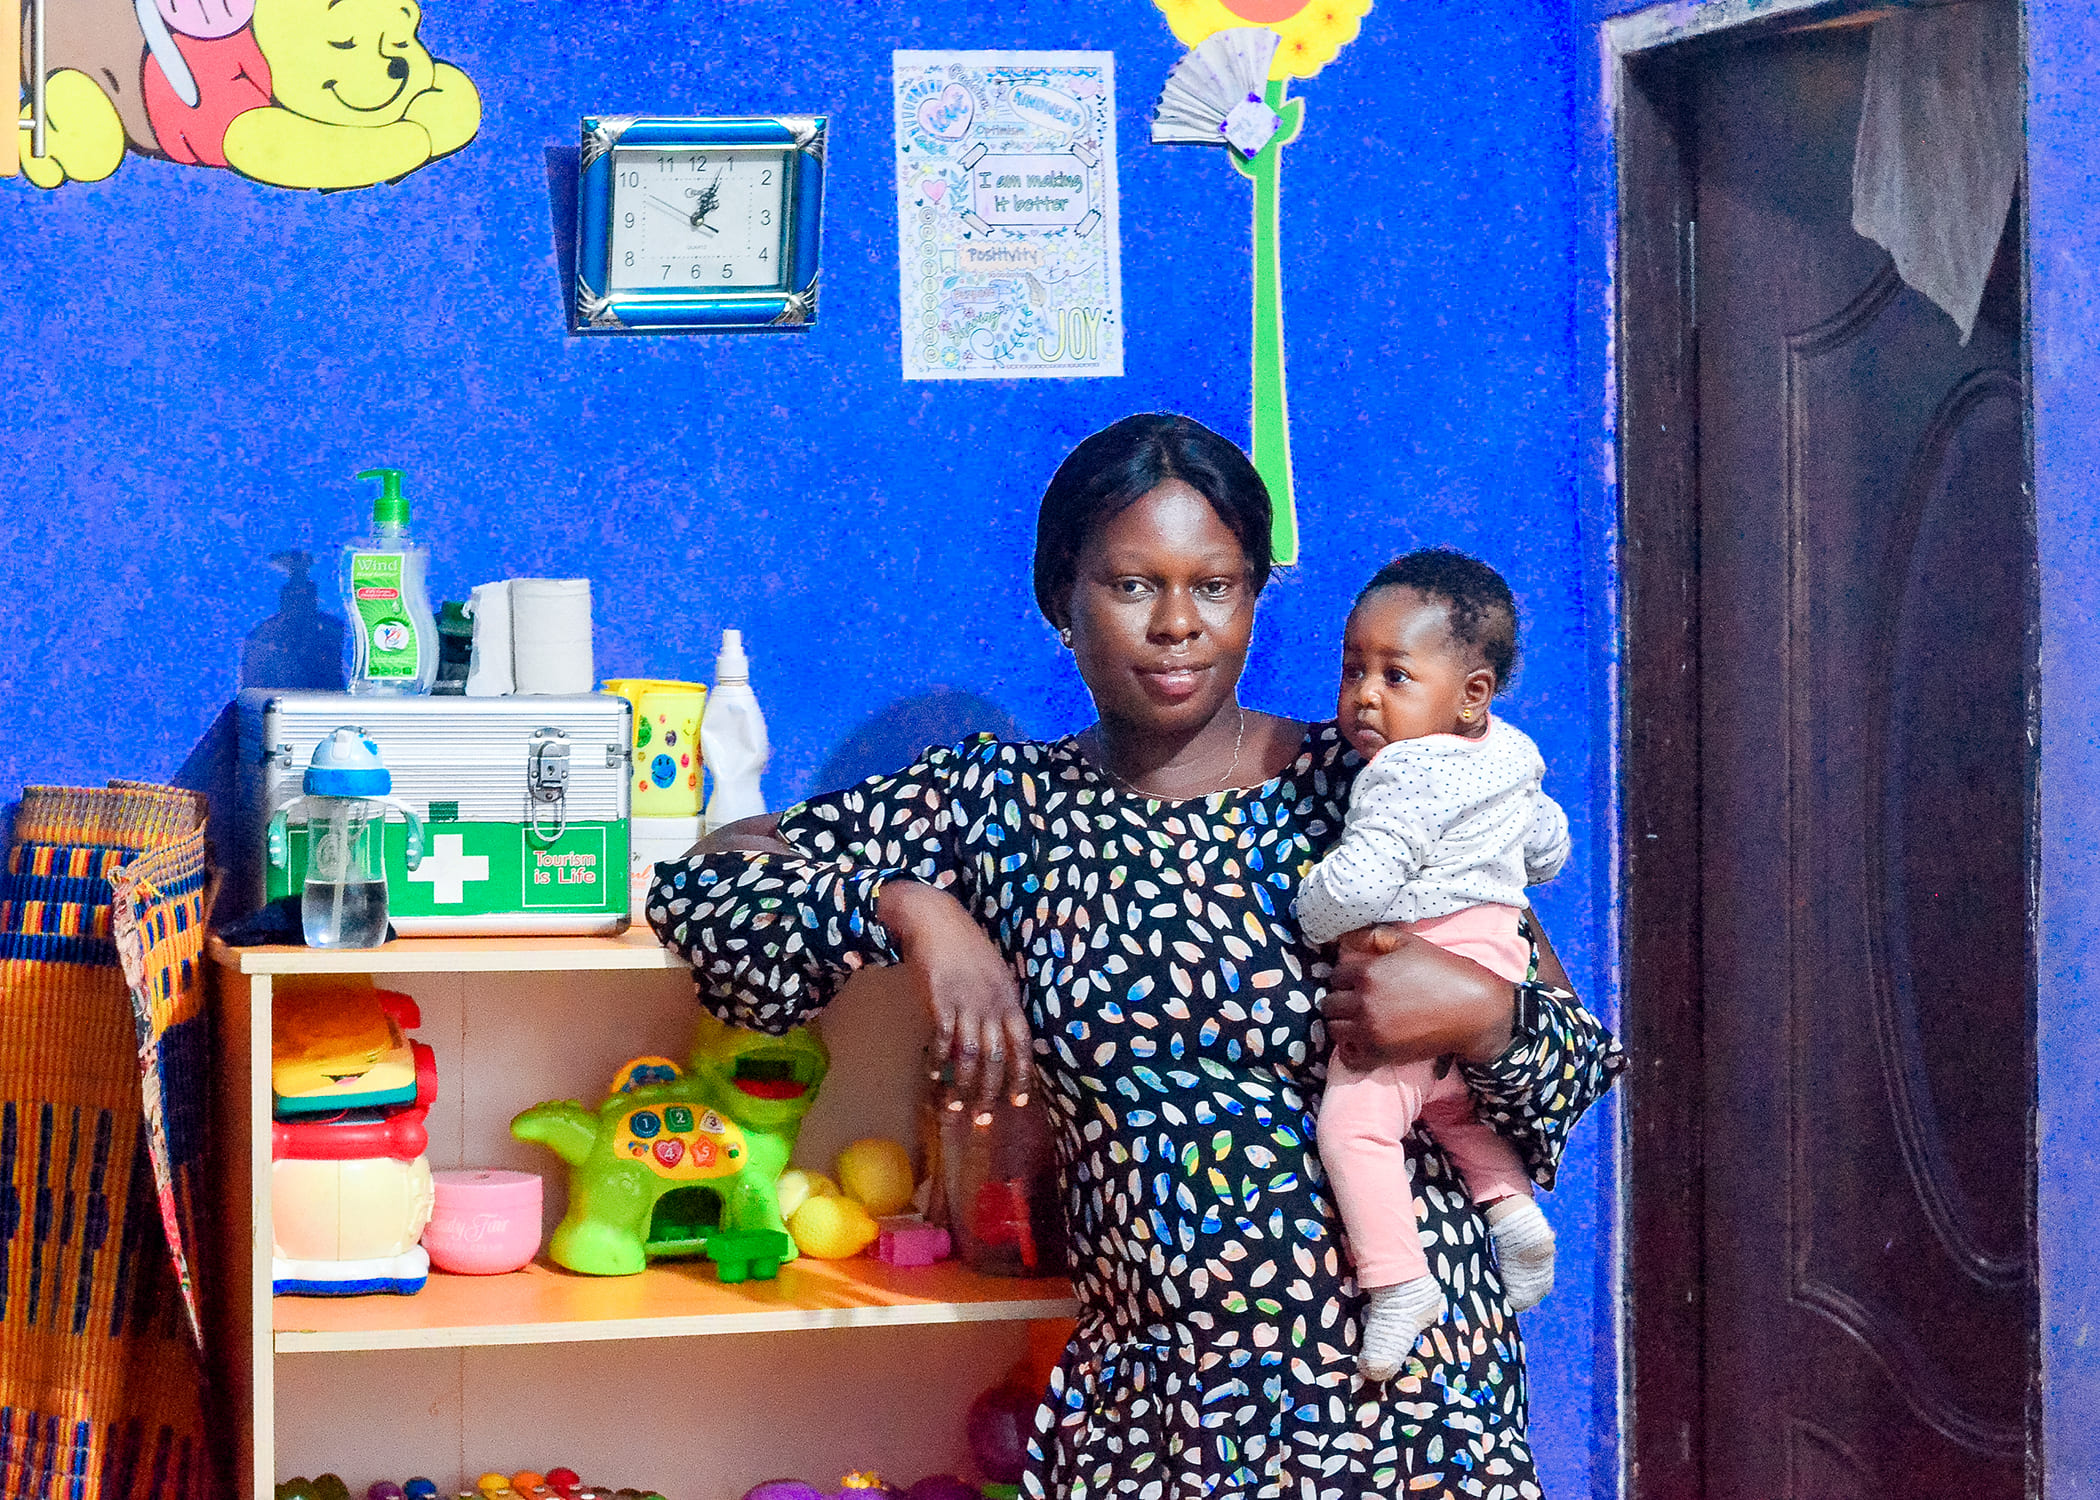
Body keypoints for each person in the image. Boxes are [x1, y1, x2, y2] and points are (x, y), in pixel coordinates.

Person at [648, 414, 1624, 1500]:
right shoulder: (1000, 804)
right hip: (1156, 1416)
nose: (1176, 625)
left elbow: (1569, 1071)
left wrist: (1482, 1015)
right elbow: (711, 888)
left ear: (1253, 599)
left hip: (1407, 1401)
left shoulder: (1368, 786)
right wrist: (913, 906)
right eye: (1130, 586)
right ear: (1059, 599)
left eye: (1214, 586)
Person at [1295, 549, 1569, 1382]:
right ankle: (1513, 1211)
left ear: (1471, 695)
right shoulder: (1511, 753)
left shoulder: (1400, 776)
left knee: (1354, 1126)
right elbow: (1548, 848)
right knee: (1454, 1113)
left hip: (1422, 969)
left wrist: (1311, 904)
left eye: (1395, 676)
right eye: (1353, 671)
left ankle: (1399, 1281)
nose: (1366, 696)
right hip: (1495, 955)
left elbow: (1366, 880)